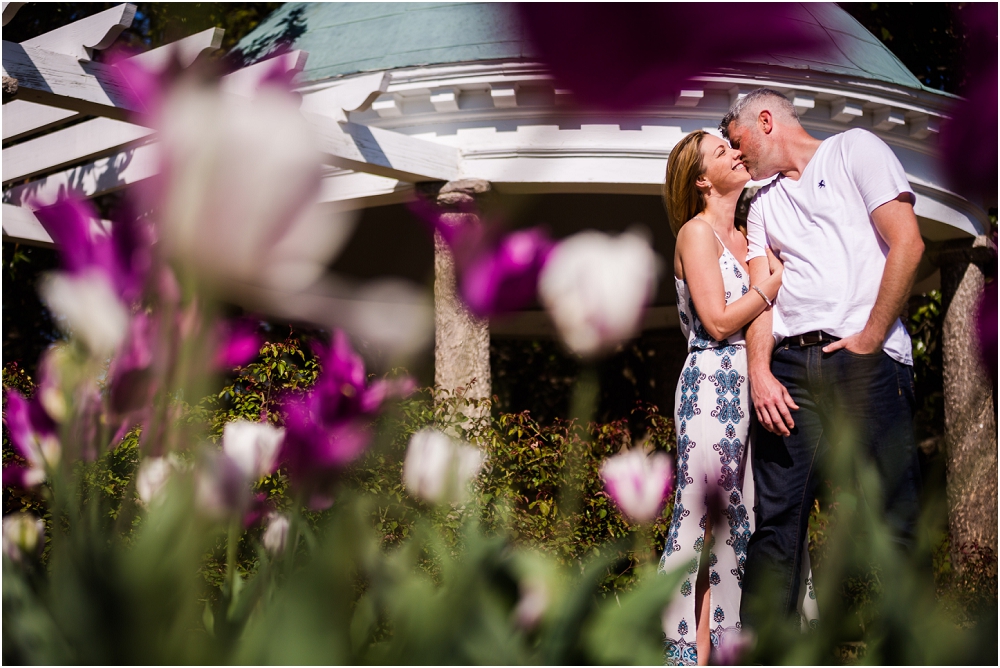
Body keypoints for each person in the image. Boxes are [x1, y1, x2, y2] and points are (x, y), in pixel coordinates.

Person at [719, 88, 925, 631]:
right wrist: (759, 370)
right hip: (790, 372)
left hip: (866, 363)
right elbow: (764, 292)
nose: (737, 159)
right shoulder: (761, 203)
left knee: (894, 517)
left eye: (739, 145)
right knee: (777, 522)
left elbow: (908, 243)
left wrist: (871, 335)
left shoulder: (856, 149)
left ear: (766, 122)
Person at [659, 130, 817, 666]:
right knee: (699, 521)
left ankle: (725, 651)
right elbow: (720, 321)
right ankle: (680, 655)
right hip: (709, 388)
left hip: (750, 386)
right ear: (701, 178)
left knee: (744, 520)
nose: (735, 152)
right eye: (721, 151)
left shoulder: (749, 232)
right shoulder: (695, 233)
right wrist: (769, 286)